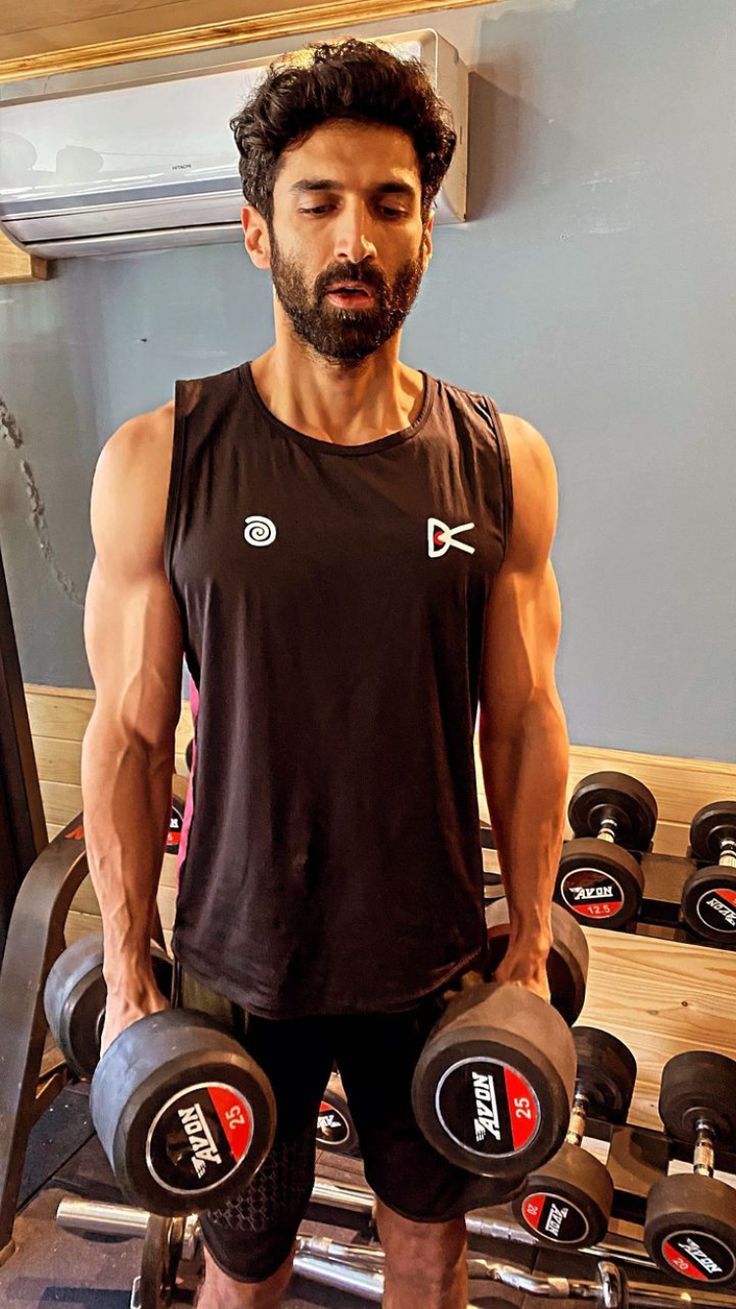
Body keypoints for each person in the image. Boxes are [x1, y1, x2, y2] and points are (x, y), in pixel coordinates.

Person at [81, 36, 569, 1309]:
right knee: (247, 1269)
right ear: (258, 233)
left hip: (431, 959)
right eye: (320, 203)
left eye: (390, 204)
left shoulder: (498, 458)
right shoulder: (164, 458)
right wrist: (131, 977)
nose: (356, 237)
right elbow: (130, 741)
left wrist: (526, 947)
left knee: (429, 1249)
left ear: (422, 234)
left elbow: (522, 721)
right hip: (242, 967)